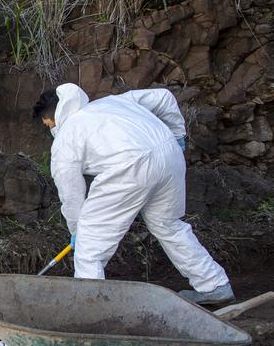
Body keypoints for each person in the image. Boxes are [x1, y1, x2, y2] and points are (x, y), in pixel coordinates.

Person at [32, 83, 233, 305]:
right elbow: (164, 97)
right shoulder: (114, 102)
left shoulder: (66, 136)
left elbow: (71, 193)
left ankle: (89, 310)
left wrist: (78, 230)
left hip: (128, 167)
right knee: (169, 225)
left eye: (49, 125)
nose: (51, 131)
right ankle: (214, 285)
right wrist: (177, 135)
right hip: (169, 154)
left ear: (54, 116)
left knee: (90, 249)